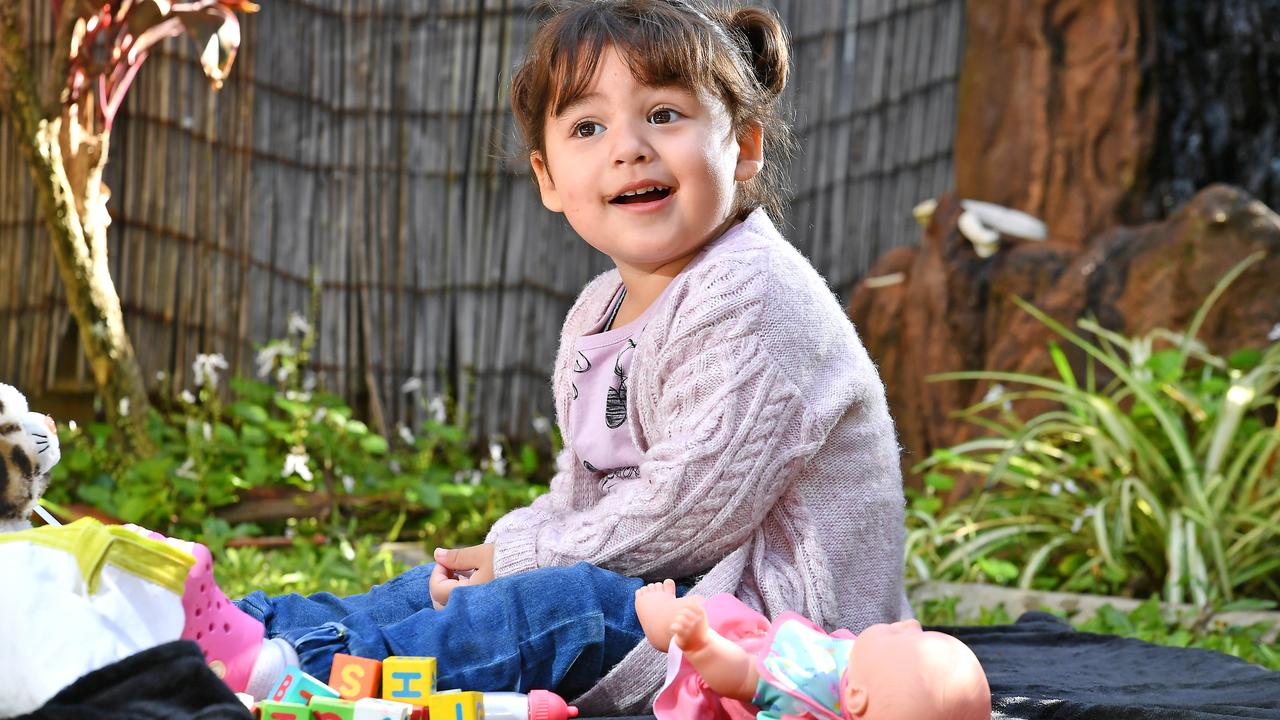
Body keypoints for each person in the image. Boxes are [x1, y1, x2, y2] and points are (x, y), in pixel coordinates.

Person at [6, 1, 908, 715]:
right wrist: (506, 549)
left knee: (536, 610)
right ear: (550, 180)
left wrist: (516, 555)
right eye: (587, 128)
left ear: (743, 147)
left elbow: (680, 518)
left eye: (665, 115)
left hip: (772, 629)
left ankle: (282, 676)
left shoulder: (753, 299)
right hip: (664, 586)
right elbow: (588, 491)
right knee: (433, 590)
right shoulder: (604, 308)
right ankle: (233, 626)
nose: (629, 143)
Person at [633, 581, 991, 720]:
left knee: (696, 621)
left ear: (854, 696)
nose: (909, 624)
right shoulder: (869, 686)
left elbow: (741, 675)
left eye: (900, 637)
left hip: (723, 670)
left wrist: (700, 643)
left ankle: (659, 621)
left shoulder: (806, 686)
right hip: (759, 650)